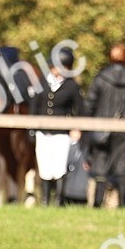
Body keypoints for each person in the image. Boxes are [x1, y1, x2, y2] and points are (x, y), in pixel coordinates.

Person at [85, 43, 125, 208]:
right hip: (124, 131)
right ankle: (123, 206)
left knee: (100, 170)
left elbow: (89, 104)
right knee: (122, 171)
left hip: (101, 130)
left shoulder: (101, 78)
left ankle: (97, 205)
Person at [31, 48, 85, 205]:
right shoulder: (41, 82)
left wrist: (77, 128)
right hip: (42, 131)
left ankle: (59, 200)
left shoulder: (72, 86)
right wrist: (32, 129)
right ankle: (45, 200)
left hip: (61, 133)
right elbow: (34, 107)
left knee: (59, 167)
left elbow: (79, 110)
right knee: (44, 166)